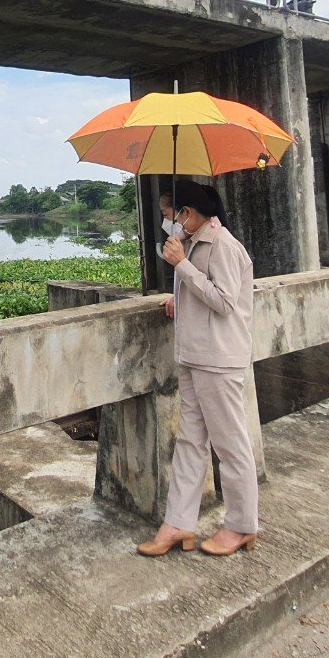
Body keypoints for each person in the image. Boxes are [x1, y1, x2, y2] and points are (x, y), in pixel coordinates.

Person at [137, 180, 258, 559]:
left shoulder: (224, 246)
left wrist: (182, 267)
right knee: (190, 442)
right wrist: (180, 294)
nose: (168, 223)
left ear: (188, 214)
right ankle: (178, 523)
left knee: (230, 444)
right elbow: (202, 292)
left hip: (218, 360)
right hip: (193, 357)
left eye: (170, 215)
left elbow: (224, 301)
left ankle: (241, 525)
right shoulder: (192, 245)